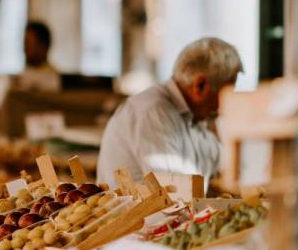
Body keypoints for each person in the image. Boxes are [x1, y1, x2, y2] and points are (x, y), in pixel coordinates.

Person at [96, 37, 244, 184]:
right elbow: (177, 192)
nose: (225, 105)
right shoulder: (154, 112)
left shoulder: (193, 118)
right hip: (140, 208)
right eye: (226, 93)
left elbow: (226, 164)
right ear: (200, 85)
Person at [15, 20, 61, 92]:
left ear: (43, 47)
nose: (25, 49)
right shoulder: (19, 80)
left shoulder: (55, 81)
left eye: (28, 44)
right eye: (24, 44)